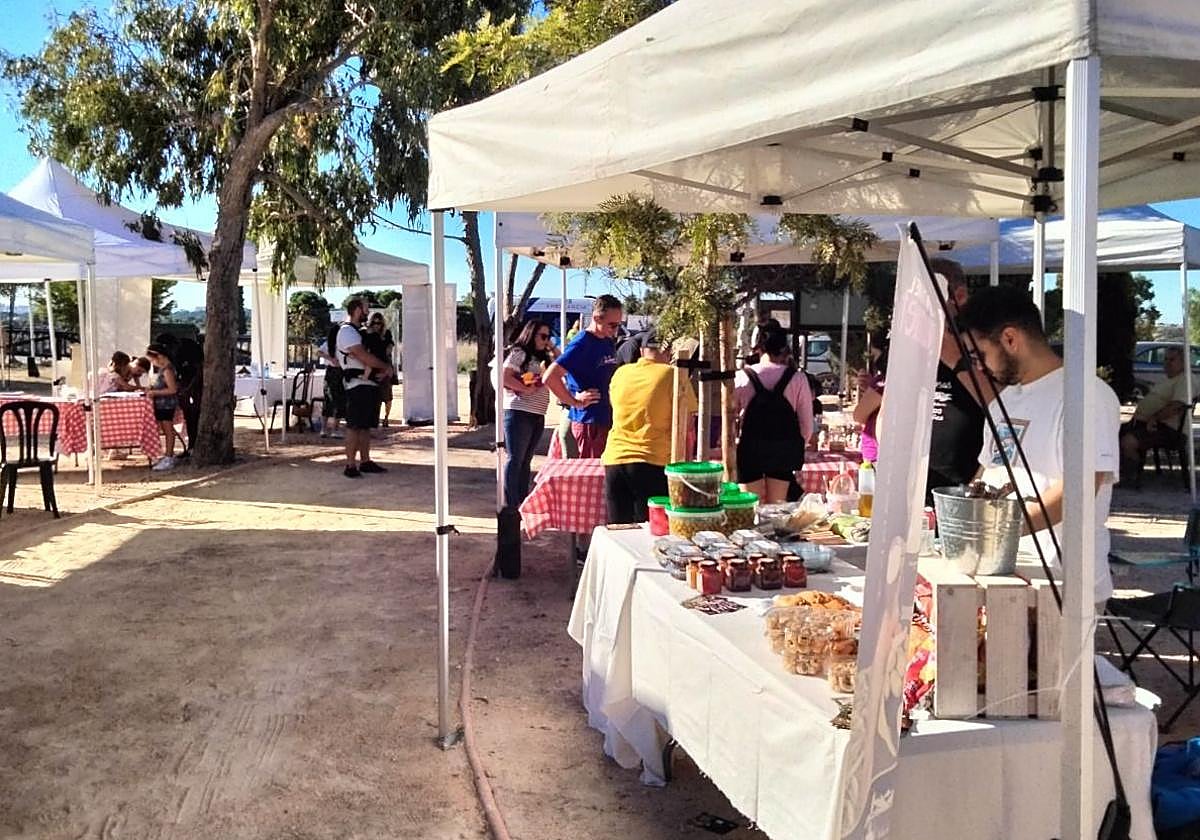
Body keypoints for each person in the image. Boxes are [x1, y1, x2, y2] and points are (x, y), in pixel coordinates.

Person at [959, 285, 1120, 609]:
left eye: (979, 355)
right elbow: (987, 471)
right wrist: (962, 520)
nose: (979, 367)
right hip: (1004, 576)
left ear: (1010, 339)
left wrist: (995, 533)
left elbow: (1077, 491)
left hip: (1062, 584)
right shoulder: (1005, 400)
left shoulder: (1085, 395)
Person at [604, 332, 697, 523]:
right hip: (653, 461)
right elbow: (687, 425)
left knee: (619, 532)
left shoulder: (621, 373)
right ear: (668, 351)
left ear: (641, 351)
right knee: (652, 533)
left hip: (615, 459)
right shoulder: (674, 375)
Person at [926, 258, 992, 502]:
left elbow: (1002, 403)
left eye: (930, 297)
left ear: (959, 296)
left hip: (967, 486)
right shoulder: (916, 343)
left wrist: (956, 359)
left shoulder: (982, 340)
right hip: (917, 482)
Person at [734, 328, 815, 503]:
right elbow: (807, 425)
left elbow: (731, 418)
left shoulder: (741, 377)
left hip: (750, 449)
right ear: (784, 348)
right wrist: (797, 445)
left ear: (758, 348)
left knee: (750, 507)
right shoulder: (798, 379)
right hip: (782, 449)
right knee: (777, 508)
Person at [542, 295, 622, 459]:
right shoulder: (582, 343)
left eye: (619, 325)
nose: (616, 330)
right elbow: (550, 377)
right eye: (612, 325)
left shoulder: (607, 341)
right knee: (592, 468)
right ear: (596, 318)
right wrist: (574, 402)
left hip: (606, 417)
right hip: (589, 421)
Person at [499, 319, 555, 507]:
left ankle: (521, 500)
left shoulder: (543, 357)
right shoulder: (520, 353)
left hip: (537, 413)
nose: (546, 340)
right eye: (543, 336)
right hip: (519, 411)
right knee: (516, 458)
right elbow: (504, 376)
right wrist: (524, 388)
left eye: (548, 336)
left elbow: (561, 364)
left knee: (525, 460)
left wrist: (552, 346)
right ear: (531, 334)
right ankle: (511, 503)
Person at [1120, 345, 1194, 484]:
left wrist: (1154, 418)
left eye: (1172, 360)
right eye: (1165, 359)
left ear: (1184, 362)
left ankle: (1132, 475)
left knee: (1128, 442)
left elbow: (1177, 406)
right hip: (1146, 424)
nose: (1167, 363)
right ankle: (1119, 471)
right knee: (1111, 434)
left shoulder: (1185, 380)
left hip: (1168, 429)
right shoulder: (1169, 380)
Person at [336, 298, 392, 478]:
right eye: (366, 308)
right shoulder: (347, 331)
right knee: (354, 425)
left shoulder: (359, 332)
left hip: (369, 383)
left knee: (365, 425)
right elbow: (363, 355)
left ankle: (365, 461)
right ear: (357, 310)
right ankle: (350, 465)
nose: (368, 312)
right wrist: (385, 367)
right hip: (357, 384)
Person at [141, 343, 180, 472]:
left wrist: (155, 392)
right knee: (165, 429)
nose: (153, 363)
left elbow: (172, 389)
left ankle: (169, 456)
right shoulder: (163, 369)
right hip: (161, 404)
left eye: (152, 360)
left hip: (166, 404)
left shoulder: (167, 370)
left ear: (159, 356)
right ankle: (167, 455)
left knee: (168, 430)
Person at [853, 329, 888, 464]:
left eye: (874, 355)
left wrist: (871, 390)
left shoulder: (884, 381)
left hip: (875, 451)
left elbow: (859, 415)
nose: (874, 360)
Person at [362, 312, 396, 429]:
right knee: (374, 395)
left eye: (379, 323)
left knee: (387, 396)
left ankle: (386, 417)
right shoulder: (367, 334)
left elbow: (390, 348)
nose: (377, 325)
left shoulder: (386, 334)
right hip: (372, 365)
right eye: (374, 323)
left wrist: (386, 367)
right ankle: (374, 420)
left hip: (384, 365)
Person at [317, 323, 345, 439]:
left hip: (338, 371)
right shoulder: (330, 344)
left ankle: (331, 429)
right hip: (333, 371)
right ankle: (328, 429)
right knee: (332, 399)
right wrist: (331, 358)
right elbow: (319, 352)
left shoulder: (340, 344)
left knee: (335, 400)